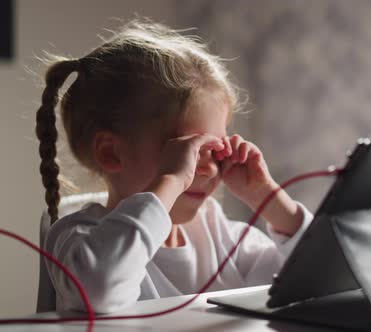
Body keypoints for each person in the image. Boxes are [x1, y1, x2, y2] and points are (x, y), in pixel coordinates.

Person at [36, 19, 312, 314]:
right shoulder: (76, 237)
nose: (209, 169)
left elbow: (315, 280)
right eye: (187, 152)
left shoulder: (218, 234)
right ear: (111, 153)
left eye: (216, 151)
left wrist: (267, 197)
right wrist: (172, 180)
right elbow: (100, 290)